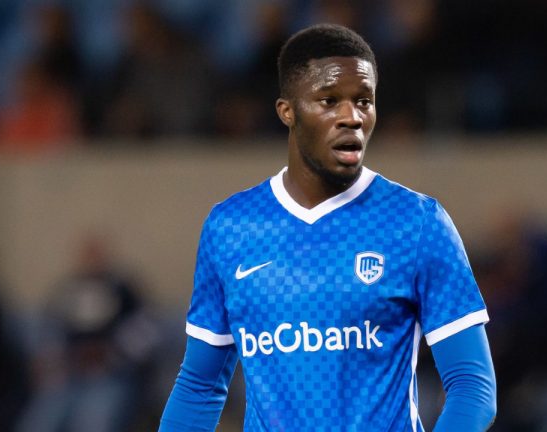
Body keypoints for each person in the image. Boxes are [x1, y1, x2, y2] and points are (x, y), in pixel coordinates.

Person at [160, 23, 496, 431]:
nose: (351, 117)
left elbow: (473, 388)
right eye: (329, 100)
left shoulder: (416, 222)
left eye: (364, 101)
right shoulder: (230, 228)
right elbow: (199, 386)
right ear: (288, 111)